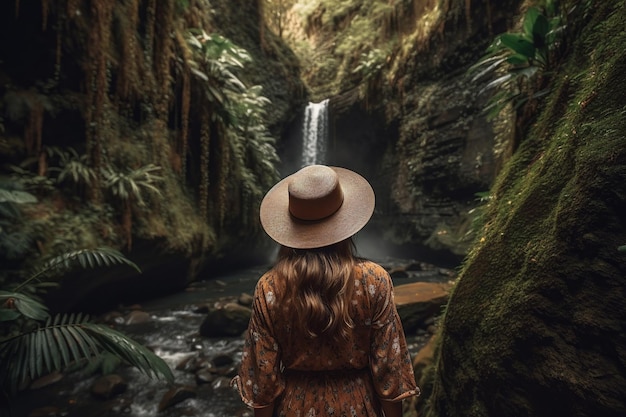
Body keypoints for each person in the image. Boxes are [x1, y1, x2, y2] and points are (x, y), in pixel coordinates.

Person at [232, 165, 420, 417]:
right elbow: (389, 369)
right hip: (358, 407)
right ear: (345, 222)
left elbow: (263, 380)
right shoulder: (374, 280)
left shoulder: (269, 288)